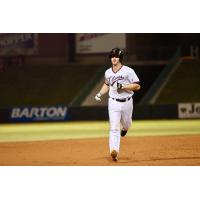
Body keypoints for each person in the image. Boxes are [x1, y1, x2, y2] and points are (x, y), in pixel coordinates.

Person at [95, 48, 141, 161]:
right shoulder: (108, 72)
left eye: (116, 56)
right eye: (112, 56)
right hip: (113, 102)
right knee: (114, 127)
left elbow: (137, 86)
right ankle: (114, 151)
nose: (114, 58)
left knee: (127, 123)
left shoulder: (128, 71)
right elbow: (107, 84)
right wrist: (100, 93)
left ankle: (125, 128)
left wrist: (123, 86)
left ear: (120, 58)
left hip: (127, 101)